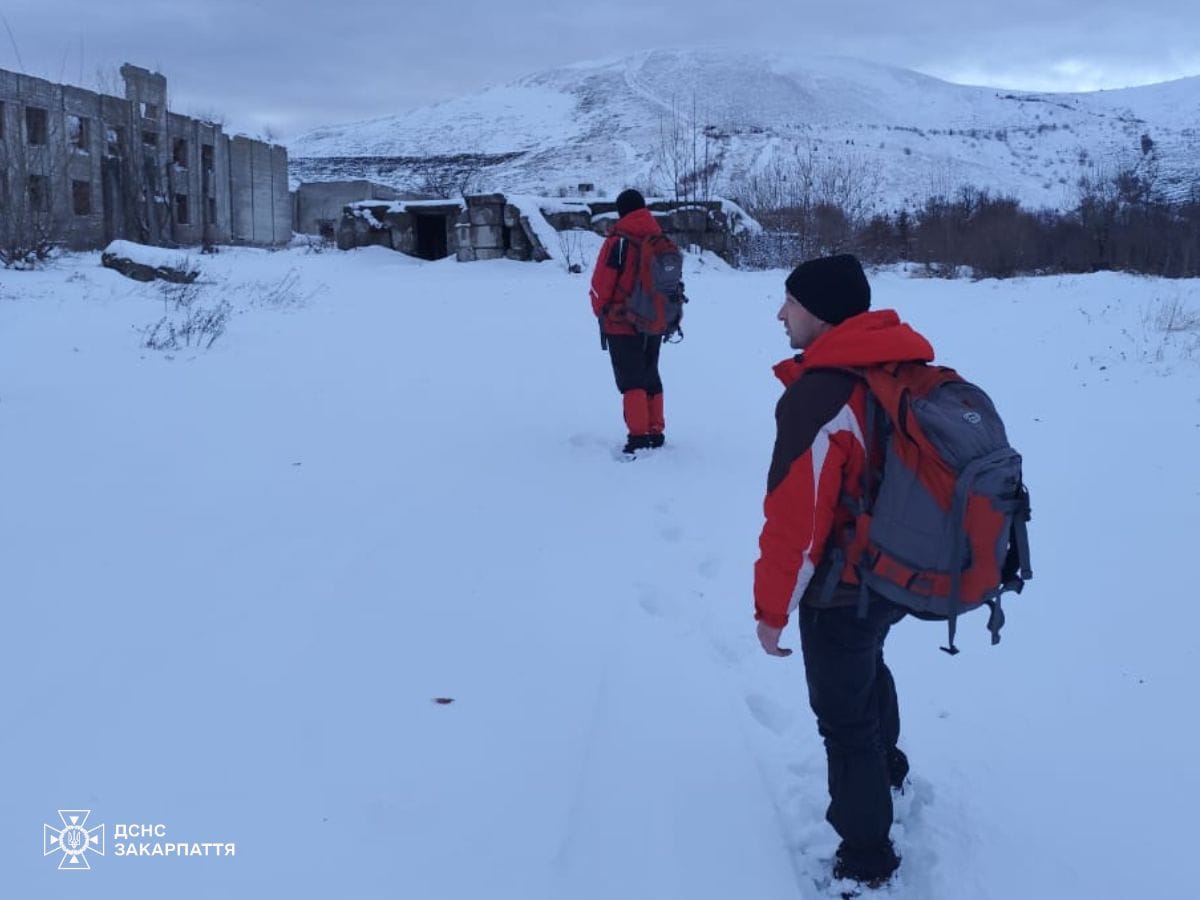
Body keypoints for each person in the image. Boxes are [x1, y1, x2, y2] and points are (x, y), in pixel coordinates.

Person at [752, 254, 936, 890]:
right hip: (895, 571)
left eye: (791, 303)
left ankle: (866, 858)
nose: (781, 313)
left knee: (843, 717)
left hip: (843, 587)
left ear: (821, 313)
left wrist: (771, 613)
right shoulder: (895, 367)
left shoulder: (821, 394)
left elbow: (796, 524)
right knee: (869, 663)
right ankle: (888, 768)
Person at [589, 188, 667, 455]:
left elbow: (602, 284)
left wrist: (601, 310)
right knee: (650, 373)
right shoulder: (658, 236)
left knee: (630, 378)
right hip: (655, 320)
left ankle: (638, 437)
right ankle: (656, 431)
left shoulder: (618, 241)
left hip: (621, 322)